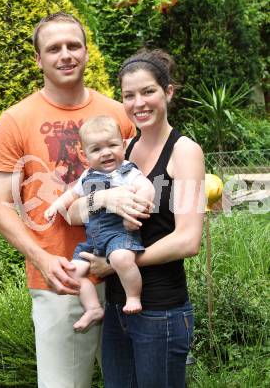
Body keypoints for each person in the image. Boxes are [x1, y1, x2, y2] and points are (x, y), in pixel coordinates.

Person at [0, 12, 151, 388]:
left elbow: (143, 187)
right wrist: (43, 259)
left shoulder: (118, 113)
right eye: (54, 48)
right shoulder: (15, 120)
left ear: (87, 52)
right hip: (61, 279)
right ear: (38, 59)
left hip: (126, 274)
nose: (65, 55)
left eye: (73, 45)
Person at [67, 48, 205, 387]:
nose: (138, 103)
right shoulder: (122, 150)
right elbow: (71, 212)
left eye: (148, 91)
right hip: (117, 309)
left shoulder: (185, 151)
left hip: (162, 310)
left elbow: (189, 240)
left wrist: (115, 265)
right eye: (129, 95)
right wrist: (103, 197)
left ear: (168, 92)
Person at [44, 115, 155, 331]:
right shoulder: (87, 176)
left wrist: (137, 211)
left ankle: (133, 297)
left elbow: (147, 188)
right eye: (96, 150)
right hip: (93, 240)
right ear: (84, 156)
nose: (106, 152)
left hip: (119, 234)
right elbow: (70, 197)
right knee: (72, 274)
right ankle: (93, 308)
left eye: (112, 145)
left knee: (122, 259)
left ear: (123, 146)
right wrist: (54, 206)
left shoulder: (127, 172)